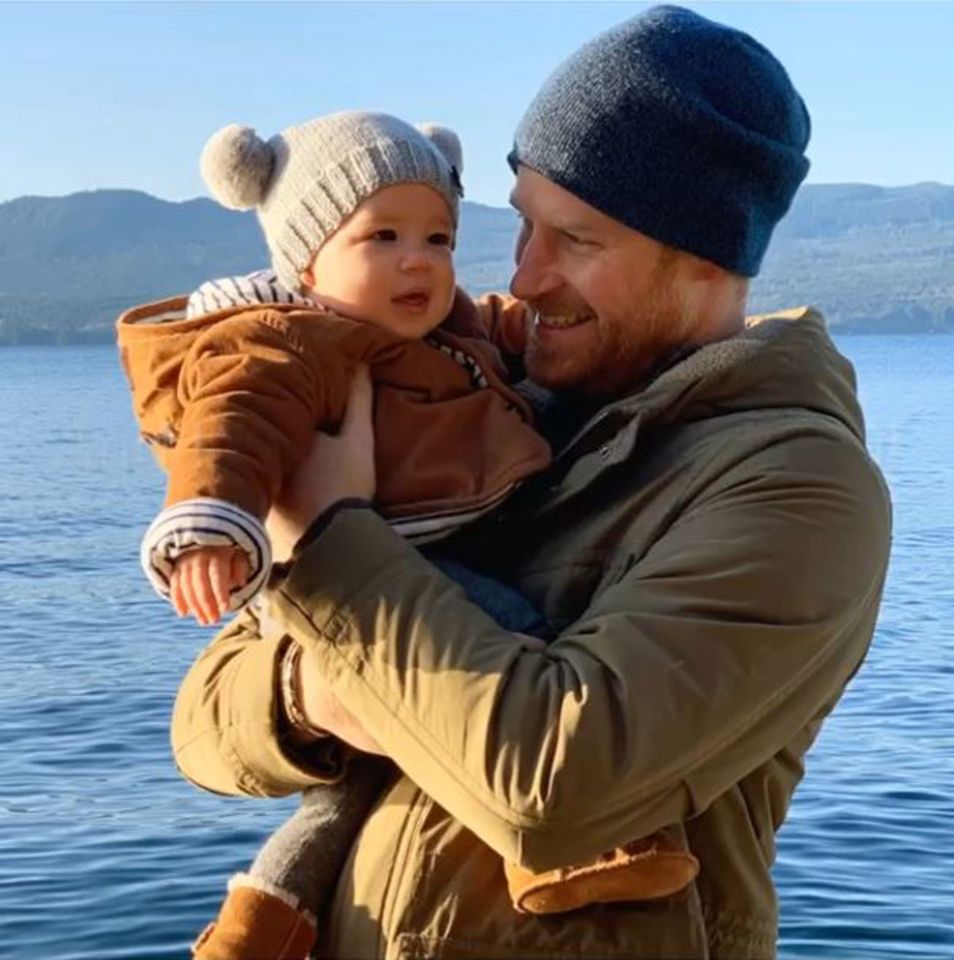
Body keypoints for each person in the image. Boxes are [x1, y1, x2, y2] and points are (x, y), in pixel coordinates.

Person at [171, 6, 892, 958]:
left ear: (708, 257)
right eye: (522, 225)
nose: (525, 276)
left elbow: (556, 790)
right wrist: (314, 695)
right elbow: (202, 724)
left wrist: (325, 532)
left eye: (579, 242)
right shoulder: (487, 395)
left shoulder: (799, 487)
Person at [118, 110, 697, 959]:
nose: (419, 259)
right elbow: (232, 427)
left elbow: (504, 333)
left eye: (439, 236)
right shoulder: (284, 345)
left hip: (389, 568)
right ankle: (602, 835)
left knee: (346, 791)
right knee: (520, 636)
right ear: (305, 256)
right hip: (379, 565)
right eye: (381, 236)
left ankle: (262, 924)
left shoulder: (433, 326)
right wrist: (212, 526)